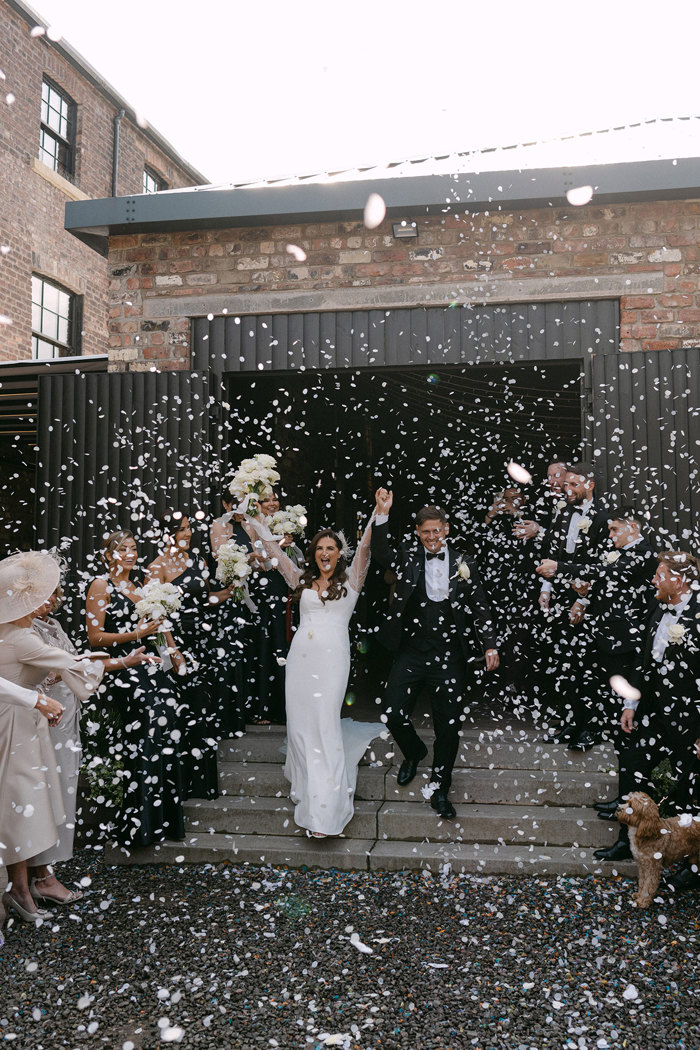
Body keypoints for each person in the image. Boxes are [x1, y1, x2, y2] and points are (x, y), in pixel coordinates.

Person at [242, 499, 386, 838]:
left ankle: (325, 811)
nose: (325, 553)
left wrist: (377, 514)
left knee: (324, 725)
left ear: (339, 554)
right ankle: (308, 788)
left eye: (331, 548)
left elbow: (365, 547)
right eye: (320, 548)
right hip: (300, 661)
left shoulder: (352, 582)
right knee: (301, 728)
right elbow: (275, 553)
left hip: (332, 661)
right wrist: (256, 520)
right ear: (314, 553)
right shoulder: (301, 581)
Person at [371, 490, 499, 821]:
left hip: (450, 656)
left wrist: (489, 644)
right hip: (412, 651)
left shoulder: (463, 563)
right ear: (418, 532)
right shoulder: (408, 557)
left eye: (436, 531)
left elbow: (480, 605)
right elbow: (381, 551)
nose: (431, 537)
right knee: (391, 712)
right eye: (425, 532)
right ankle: (414, 751)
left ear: (446, 529)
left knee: (448, 725)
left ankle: (440, 789)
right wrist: (382, 513)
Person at [29, 581, 154, 903]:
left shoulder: (53, 625)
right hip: (42, 720)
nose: (51, 600)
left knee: (65, 785)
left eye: (55, 593)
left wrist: (126, 661)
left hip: (67, 715)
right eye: (44, 594)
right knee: (45, 788)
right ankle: (41, 874)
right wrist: (57, 673)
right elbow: (41, 674)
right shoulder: (23, 633)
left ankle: (47, 866)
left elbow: (77, 665)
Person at [0, 552, 103, 923]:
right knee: (20, 805)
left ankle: (23, 887)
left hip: (23, 722)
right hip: (15, 726)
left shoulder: (11, 631)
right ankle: (24, 888)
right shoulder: (22, 638)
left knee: (20, 804)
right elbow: (75, 669)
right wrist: (101, 664)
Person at [594, 551, 700, 865]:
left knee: (688, 794)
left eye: (659, 575)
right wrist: (631, 704)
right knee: (631, 769)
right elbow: (643, 660)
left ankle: (688, 864)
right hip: (652, 715)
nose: (653, 580)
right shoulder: (657, 605)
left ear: (679, 581)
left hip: (688, 724)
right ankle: (627, 843)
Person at [86, 530, 187, 850]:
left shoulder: (142, 586)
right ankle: (138, 824)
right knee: (151, 714)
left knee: (170, 709)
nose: (129, 554)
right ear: (107, 555)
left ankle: (163, 821)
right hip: (120, 668)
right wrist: (135, 634)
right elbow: (95, 637)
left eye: (133, 548)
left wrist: (172, 653)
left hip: (147, 663)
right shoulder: (101, 585)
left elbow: (158, 629)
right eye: (121, 549)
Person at [147, 510, 236, 800]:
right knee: (183, 711)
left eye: (188, 528)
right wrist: (172, 654)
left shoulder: (197, 561)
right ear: (167, 534)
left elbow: (207, 600)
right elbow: (156, 617)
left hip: (203, 641)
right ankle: (182, 786)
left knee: (203, 710)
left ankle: (203, 784)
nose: (188, 534)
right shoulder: (156, 568)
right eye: (181, 530)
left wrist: (230, 592)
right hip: (178, 645)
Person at [553, 507, 657, 750]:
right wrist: (585, 594)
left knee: (615, 686)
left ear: (633, 528)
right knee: (590, 681)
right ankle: (586, 727)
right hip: (602, 628)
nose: (610, 536)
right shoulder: (619, 553)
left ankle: (611, 734)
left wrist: (562, 567)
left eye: (614, 530)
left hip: (625, 633)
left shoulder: (645, 553)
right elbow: (606, 581)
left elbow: (612, 573)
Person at [534, 462, 609, 735]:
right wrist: (546, 587)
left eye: (573, 484)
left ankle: (589, 727)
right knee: (565, 659)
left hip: (591, 599)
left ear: (590, 485)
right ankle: (569, 721)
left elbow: (603, 566)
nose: (567, 490)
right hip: (562, 594)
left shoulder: (603, 518)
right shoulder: (561, 512)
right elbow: (550, 554)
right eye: (565, 484)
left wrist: (584, 600)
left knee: (588, 662)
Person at [210, 486, 263, 730]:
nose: (238, 510)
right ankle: (225, 719)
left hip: (246, 598)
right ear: (224, 504)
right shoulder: (219, 525)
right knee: (227, 654)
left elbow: (262, 562)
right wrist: (252, 556)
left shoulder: (249, 526)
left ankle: (244, 712)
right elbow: (223, 557)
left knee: (244, 652)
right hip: (227, 598)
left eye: (243, 504)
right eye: (234, 504)